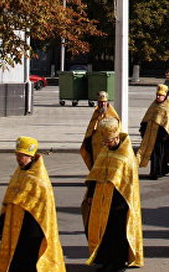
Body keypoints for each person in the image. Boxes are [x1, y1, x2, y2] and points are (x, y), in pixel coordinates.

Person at [84, 118, 144, 270]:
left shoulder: (126, 157)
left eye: (109, 141)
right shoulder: (105, 152)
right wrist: (91, 194)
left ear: (117, 138)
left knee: (118, 235)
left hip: (119, 204)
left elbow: (128, 185)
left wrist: (121, 204)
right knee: (104, 233)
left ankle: (118, 263)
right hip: (102, 200)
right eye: (104, 141)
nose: (106, 144)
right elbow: (95, 174)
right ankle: (105, 261)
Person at [0, 137, 65, 271]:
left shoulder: (39, 180)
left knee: (29, 261)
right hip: (15, 225)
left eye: (22, 155)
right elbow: (10, 198)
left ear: (30, 156)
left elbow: (43, 210)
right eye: (17, 155)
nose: (18, 158)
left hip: (32, 229)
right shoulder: (19, 172)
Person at [137, 84, 169, 180]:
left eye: (160, 95)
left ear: (165, 96)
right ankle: (160, 170)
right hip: (150, 135)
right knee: (153, 155)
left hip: (161, 136)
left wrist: (164, 136)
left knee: (159, 154)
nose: (158, 97)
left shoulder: (167, 109)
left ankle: (157, 172)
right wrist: (143, 127)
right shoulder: (153, 106)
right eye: (157, 95)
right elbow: (147, 117)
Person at [80, 90, 122, 170]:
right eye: (100, 102)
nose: (102, 104)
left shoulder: (112, 116)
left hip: (106, 146)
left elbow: (117, 131)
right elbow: (91, 128)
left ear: (107, 103)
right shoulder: (96, 114)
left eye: (104, 102)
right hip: (95, 146)